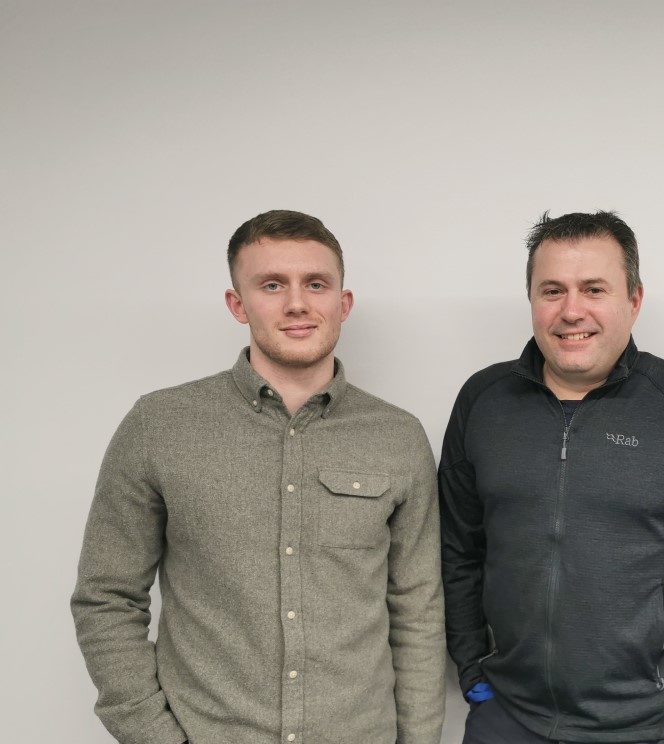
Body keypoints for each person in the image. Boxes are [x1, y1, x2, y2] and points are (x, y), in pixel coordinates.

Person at [71, 210, 444, 744]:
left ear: (343, 304)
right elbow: (106, 596)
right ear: (237, 304)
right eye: (272, 285)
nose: (297, 303)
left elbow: (418, 610)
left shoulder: (398, 436)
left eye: (316, 284)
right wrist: (152, 734)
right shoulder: (158, 425)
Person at [439, 211, 664, 744]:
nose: (572, 311)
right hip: (508, 719)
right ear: (531, 301)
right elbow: (457, 549)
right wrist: (473, 670)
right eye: (552, 290)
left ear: (633, 300)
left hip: (642, 727)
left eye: (594, 289)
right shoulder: (483, 401)